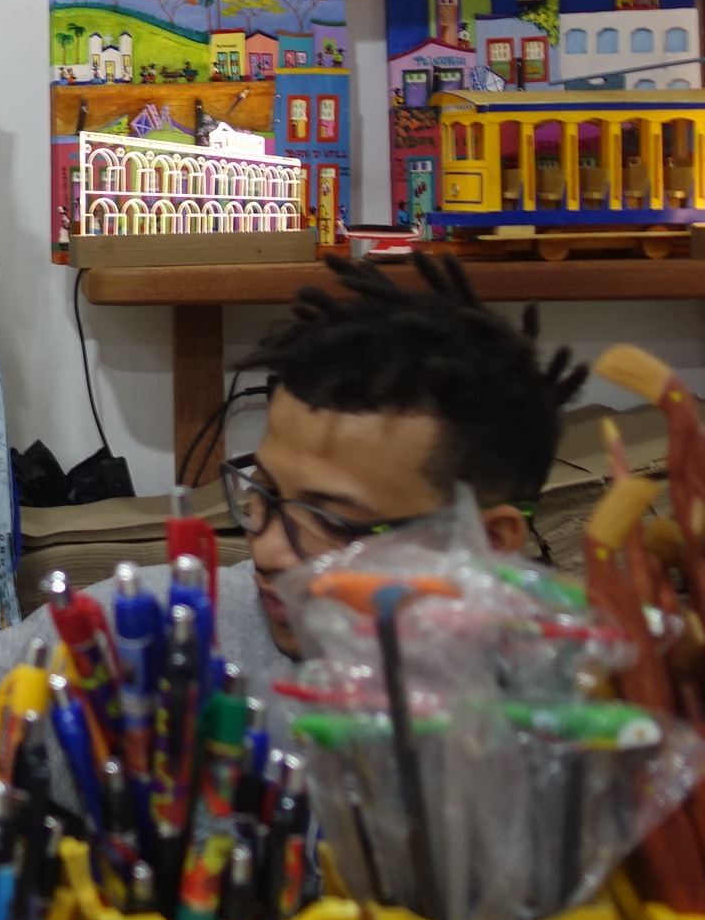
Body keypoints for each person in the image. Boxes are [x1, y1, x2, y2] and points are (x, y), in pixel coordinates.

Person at [229, 254, 583, 659]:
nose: (266, 553)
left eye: (330, 520)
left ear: (488, 543)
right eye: (264, 492)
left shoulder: (571, 685)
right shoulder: (193, 624)